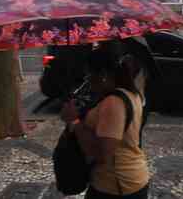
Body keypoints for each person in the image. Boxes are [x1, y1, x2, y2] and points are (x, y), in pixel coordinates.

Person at [60, 44, 149, 199]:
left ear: (102, 74)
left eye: (89, 75)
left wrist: (74, 121)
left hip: (117, 185)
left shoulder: (113, 102)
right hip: (124, 180)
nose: (88, 81)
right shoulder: (131, 93)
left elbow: (102, 154)